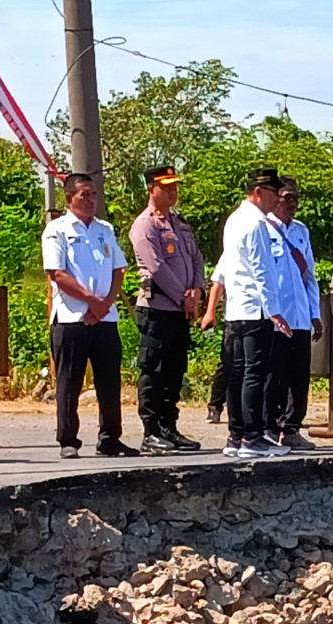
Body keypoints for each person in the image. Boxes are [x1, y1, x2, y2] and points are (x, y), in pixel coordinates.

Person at [42, 173, 137, 458]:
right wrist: (91, 301)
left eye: (94, 194)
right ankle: (68, 439)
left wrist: (104, 304)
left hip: (105, 317)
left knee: (109, 380)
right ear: (70, 198)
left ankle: (110, 438)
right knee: (69, 381)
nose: (91, 199)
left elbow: (119, 269)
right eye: (85, 194)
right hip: (72, 317)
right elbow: (57, 273)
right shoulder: (57, 230)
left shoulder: (104, 229)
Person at [128, 164, 204, 454]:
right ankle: (151, 431)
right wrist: (182, 297)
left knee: (174, 371)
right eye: (166, 187)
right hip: (158, 308)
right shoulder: (145, 225)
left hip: (180, 310)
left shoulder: (180, 223)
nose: (173, 192)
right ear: (152, 189)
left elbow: (196, 258)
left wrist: (196, 291)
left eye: (175, 186)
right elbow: (156, 267)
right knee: (154, 370)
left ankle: (170, 428)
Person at [220, 168, 293, 459]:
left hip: (237, 307)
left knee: (238, 373)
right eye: (274, 194)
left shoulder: (234, 220)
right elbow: (262, 269)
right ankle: (252, 436)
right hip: (255, 309)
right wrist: (274, 311)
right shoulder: (256, 223)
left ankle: (236, 435)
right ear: (259, 192)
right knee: (254, 373)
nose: (277, 201)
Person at [264, 176, 321, 451]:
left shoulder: (301, 231)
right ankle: (269, 428)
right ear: (275, 198)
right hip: (275, 318)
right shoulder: (262, 229)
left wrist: (315, 313)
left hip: (298, 316)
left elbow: (309, 276)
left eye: (295, 198)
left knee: (299, 377)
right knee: (274, 376)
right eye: (286, 197)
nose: (292, 204)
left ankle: (292, 428)